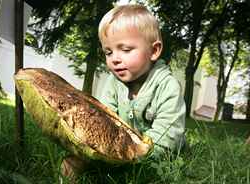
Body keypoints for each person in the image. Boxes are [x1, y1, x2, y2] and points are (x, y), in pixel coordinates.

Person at [60, 4, 186, 183]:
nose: (115, 59)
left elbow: (168, 136)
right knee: (72, 164)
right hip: (121, 150)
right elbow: (104, 121)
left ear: (154, 50)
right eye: (108, 52)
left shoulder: (168, 86)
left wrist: (132, 159)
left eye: (125, 50)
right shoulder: (112, 83)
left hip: (160, 154)